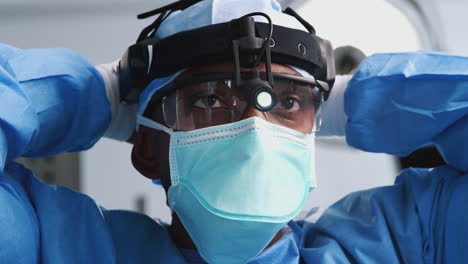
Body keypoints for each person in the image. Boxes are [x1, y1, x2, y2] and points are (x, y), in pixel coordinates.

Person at [1, 0, 468, 263]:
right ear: (146, 148)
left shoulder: (404, 243)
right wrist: (97, 95)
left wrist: (353, 102)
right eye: (208, 100)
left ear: (314, 133)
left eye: (285, 103)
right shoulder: (63, 247)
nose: (254, 128)